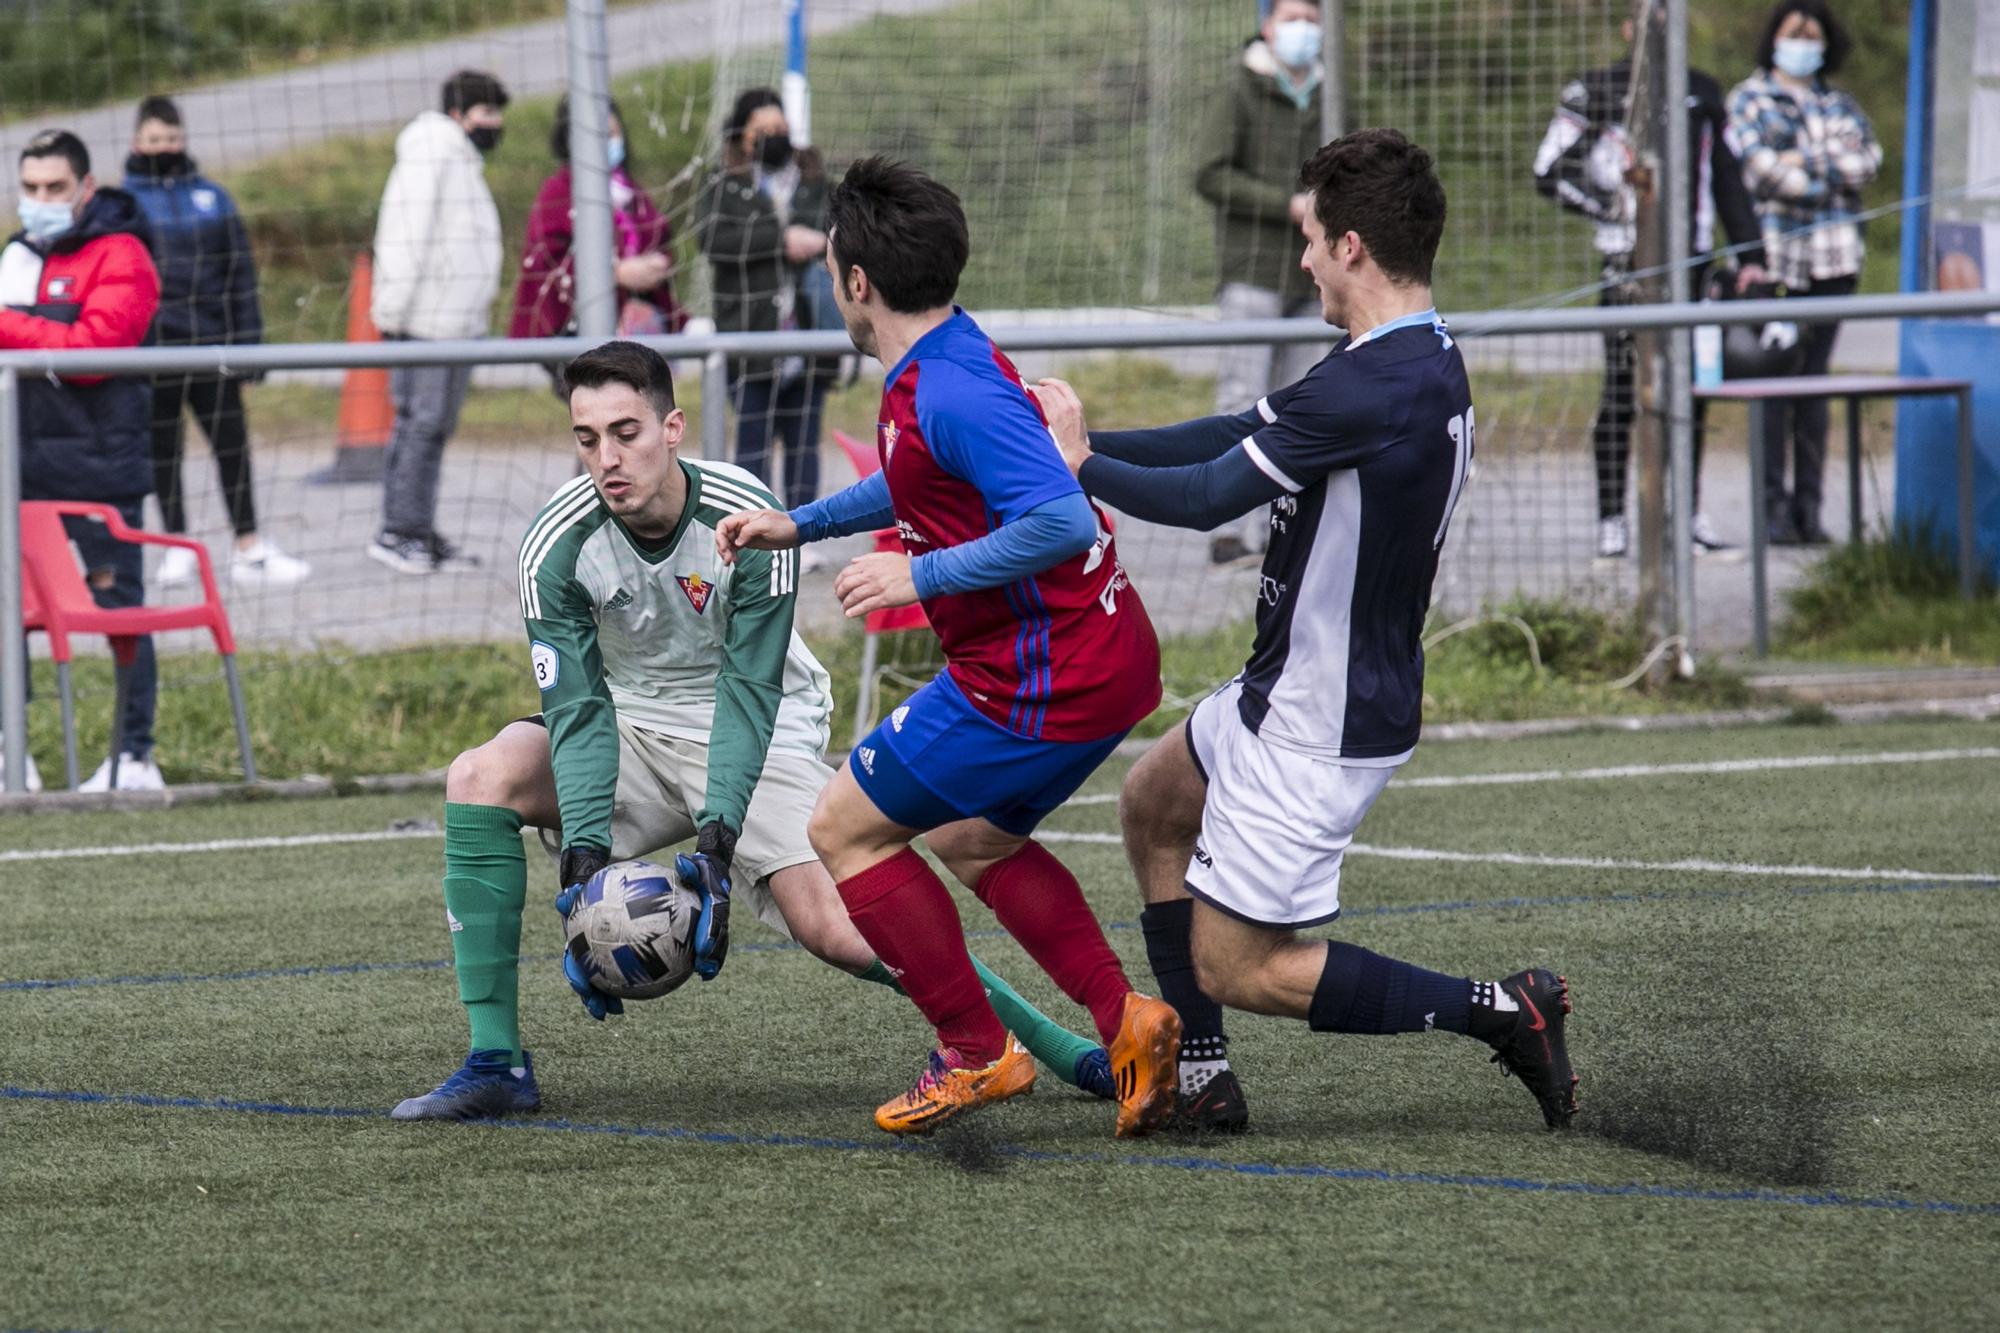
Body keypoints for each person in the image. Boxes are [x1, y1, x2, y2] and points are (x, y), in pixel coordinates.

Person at [392, 340, 1114, 1120]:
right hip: (630, 723)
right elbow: (578, 711)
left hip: (758, 725)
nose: (607, 457)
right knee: (478, 776)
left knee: (836, 928)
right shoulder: (556, 544)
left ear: (672, 428)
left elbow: (748, 689)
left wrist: (713, 844)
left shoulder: (742, 513)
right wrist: (583, 862)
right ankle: (495, 1061)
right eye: (588, 438)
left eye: (626, 432)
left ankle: (1055, 1046)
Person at [1031, 130, 1576, 1137]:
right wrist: (1078, 443)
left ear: (1354, 247)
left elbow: (1203, 498)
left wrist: (1074, 470)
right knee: (1154, 805)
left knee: (1236, 967)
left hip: (1319, 719)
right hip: (1287, 688)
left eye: (1314, 240)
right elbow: (1230, 432)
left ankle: (1502, 1009)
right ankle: (1200, 1077)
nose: (1304, 259)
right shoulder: (1390, 358)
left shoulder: (1375, 384)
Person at [717, 158, 1182, 1139]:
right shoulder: (944, 361)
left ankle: (975, 1051)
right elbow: (915, 481)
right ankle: (1125, 1022)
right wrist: (797, 524)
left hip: (1038, 673)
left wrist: (914, 576)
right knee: (972, 837)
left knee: (840, 826)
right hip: (1093, 654)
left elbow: (1056, 518)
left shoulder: (948, 391)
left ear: (853, 282)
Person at [1532, 5, 1772, 560]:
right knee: (1621, 391)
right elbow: (1548, 170)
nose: (1658, 28)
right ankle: (1612, 520)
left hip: (1692, 263)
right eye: (1647, 18)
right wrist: (1610, 208)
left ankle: (1684, 516)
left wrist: (1752, 253)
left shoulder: (1704, 92)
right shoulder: (1595, 89)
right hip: (1624, 266)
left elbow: (1728, 179)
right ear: (1629, 27)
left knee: (1690, 389)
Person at [0, 130, 165, 792]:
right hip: (20, 467)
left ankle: (133, 755)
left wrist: (7, 325)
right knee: (8, 614)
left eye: (55, 188)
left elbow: (91, 354)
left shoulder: (122, 253)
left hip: (99, 469)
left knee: (119, 610)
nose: (40, 201)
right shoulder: (15, 253)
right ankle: (17, 753)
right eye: (30, 188)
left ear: (85, 188)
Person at [124, 95, 310, 590]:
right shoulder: (123, 204)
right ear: (137, 142)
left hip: (213, 347)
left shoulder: (213, 198)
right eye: (155, 139)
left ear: (183, 140)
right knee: (163, 451)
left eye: (172, 139)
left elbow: (241, 278)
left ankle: (249, 547)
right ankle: (177, 548)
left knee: (233, 447)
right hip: (154, 353)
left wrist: (250, 348)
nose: (164, 146)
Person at [1726, 0, 1881, 546]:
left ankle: (1808, 513)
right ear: (1774, 38)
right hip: (1776, 266)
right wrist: (1826, 165)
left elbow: (1868, 159)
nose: (1803, 45)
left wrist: (1800, 160)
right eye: (1795, 34)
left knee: (1814, 386)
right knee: (1775, 384)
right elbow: (1762, 172)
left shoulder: (1838, 102)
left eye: (1813, 36)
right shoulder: (1747, 98)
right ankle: (1772, 510)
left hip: (1836, 261)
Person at [1194, 0, 1328, 565]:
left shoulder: (1331, 92)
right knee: (1241, 401)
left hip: (1317, 276)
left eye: (1313, 19)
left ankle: (1282, 531)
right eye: (1292, 17)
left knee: (1301, 406)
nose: (1303, 29)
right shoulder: (1240, 87)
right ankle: (1230, 532)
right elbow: (1209, 172)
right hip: (1252, 271)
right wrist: (1287, 204)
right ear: (1268, 24)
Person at [368, 69, 508, 575]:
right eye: (486, 112)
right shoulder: (432, 152)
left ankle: (418, 526)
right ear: (459, 113)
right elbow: (406, 233)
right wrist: (393, 312)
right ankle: (398, 530)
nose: (494, 123)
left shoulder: (461, 160)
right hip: (423, 321)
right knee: (420, 424)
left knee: (436, 427)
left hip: (455, 323)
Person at [692, 88, 839, 522]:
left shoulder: (815, 182)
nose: (775, 137)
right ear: (743, 136)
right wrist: (780, 241)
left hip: (809, 335)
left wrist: (817, 243)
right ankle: (751, 526)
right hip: (750, 334)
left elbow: (842, 230)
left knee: (803, 438)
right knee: (753, 439)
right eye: (764, 131)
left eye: (781, 129)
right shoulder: (724, 186)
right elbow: (712, 240)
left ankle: (803, 527)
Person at [508, 95, 687, 350]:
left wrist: (656, 266)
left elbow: (658, 238)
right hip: (573, 330)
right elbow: (548, 262)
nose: (608, 143)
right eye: (598, 137)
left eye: (612, 134)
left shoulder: (631, 192)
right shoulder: (558, 193)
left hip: (637, 326)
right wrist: (614, 273)